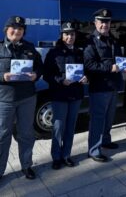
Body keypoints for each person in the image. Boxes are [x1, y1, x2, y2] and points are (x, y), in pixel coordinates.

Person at [0, 16, 43, 180]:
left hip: (27, 98)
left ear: (24, 31)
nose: (17, 31)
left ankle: (26, 166)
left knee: (26, 134)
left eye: (20, 29)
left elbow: (40, 67)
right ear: (6, 29)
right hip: (5, 100)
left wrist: (36, 75)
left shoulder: (30, 48)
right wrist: (3, 76)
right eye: (14, 28)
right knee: (3, 136)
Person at [43, 22, 87, 170]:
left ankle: (66, 155)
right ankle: (56, 157)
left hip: (76, 94)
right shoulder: (53, 53)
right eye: (66, 34)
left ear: (75, 36)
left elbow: (86, 71)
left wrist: (86, 78)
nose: (70, 37)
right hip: (60, 94)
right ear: (62, 36)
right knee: (58, 127)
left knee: (70, 126)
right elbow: (47, 75)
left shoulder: (80, 52)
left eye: (72, 34)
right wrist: (61, 80)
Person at [84, 8, 122, 162]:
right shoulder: (90, 41)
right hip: (99, 87)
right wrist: (109, 67)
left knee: (109, 117)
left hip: (112, 86)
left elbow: (118, 58)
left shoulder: (112, 40)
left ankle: (105, 141)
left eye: (107, 22)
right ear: (95, 22)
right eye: (101, 21)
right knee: (98, 119)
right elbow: (89, 64)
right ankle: (94, 150)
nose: (104, 24)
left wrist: (124, 65)